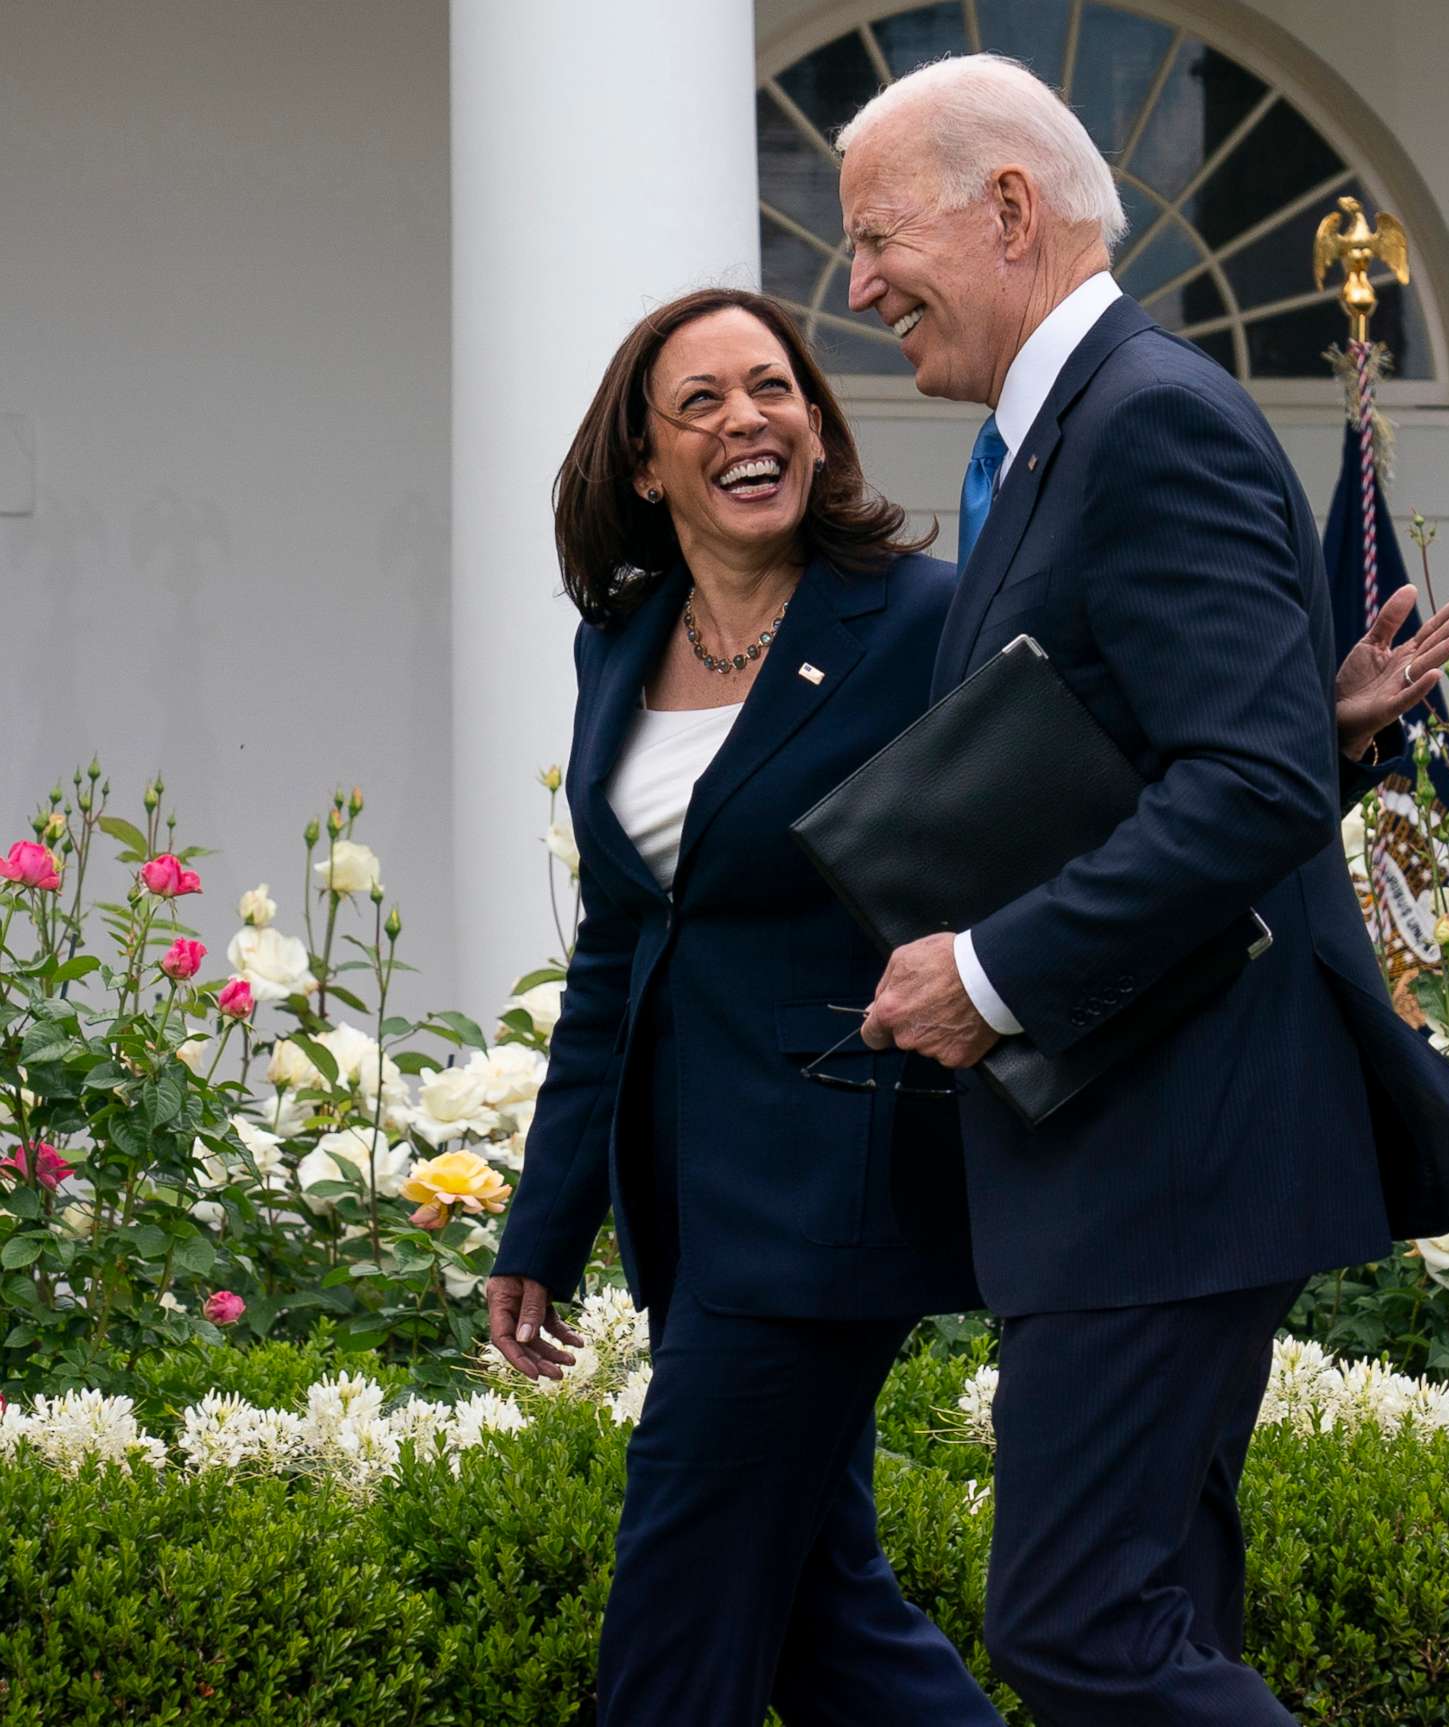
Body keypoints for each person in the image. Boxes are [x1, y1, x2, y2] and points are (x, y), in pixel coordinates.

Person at [839, 54, 1449, 1725]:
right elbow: (1221, 759)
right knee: (1161, 1623)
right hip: (1135, 1146)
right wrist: (1314, 728)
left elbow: (1244, 792)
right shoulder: (1070, 435)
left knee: (1079, 1629)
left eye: (874, 238)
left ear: (1008, 210)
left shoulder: (1148, 422)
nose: (854, 288)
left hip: (1167, 1147)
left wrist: (986, 973)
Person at [481, 287, 1004, 1726]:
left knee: (682, 1590)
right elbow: (615, 957)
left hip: (837, 1177)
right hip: (688, 1195)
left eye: (773, 388)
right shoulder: (621, 645)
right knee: (824, 1619)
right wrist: (548, 1220)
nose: (747, 420)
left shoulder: (920, 617)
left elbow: (1081, 784)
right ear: (646, 466)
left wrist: (1308, 731)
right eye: (700, 402)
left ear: (819, 429)